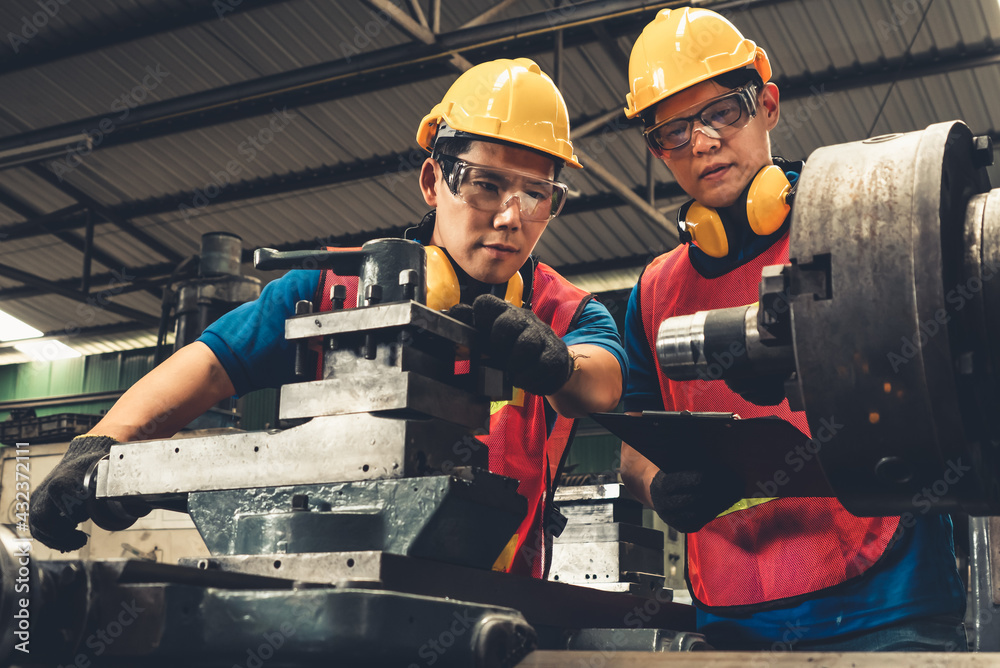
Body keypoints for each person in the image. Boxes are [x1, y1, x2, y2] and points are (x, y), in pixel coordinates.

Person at [29, 58, 626, 579]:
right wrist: (101, 444)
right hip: (324, 584)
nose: (509, 217)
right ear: (432, 180)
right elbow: (209, 367)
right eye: (485, 185)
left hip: (502, 598)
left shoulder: (567, 311)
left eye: (536, 193)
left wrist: (556, 365)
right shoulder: (328, 291)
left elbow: (601, 381)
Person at [618, 7, 967, 651]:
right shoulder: (654, 292)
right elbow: (634, 440)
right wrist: (658, 484)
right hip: (732, 622)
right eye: (673, 131)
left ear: (768, 104)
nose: (702, 142)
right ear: (656, 149)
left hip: (885, 610)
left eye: (723, 111)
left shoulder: (860, 221)